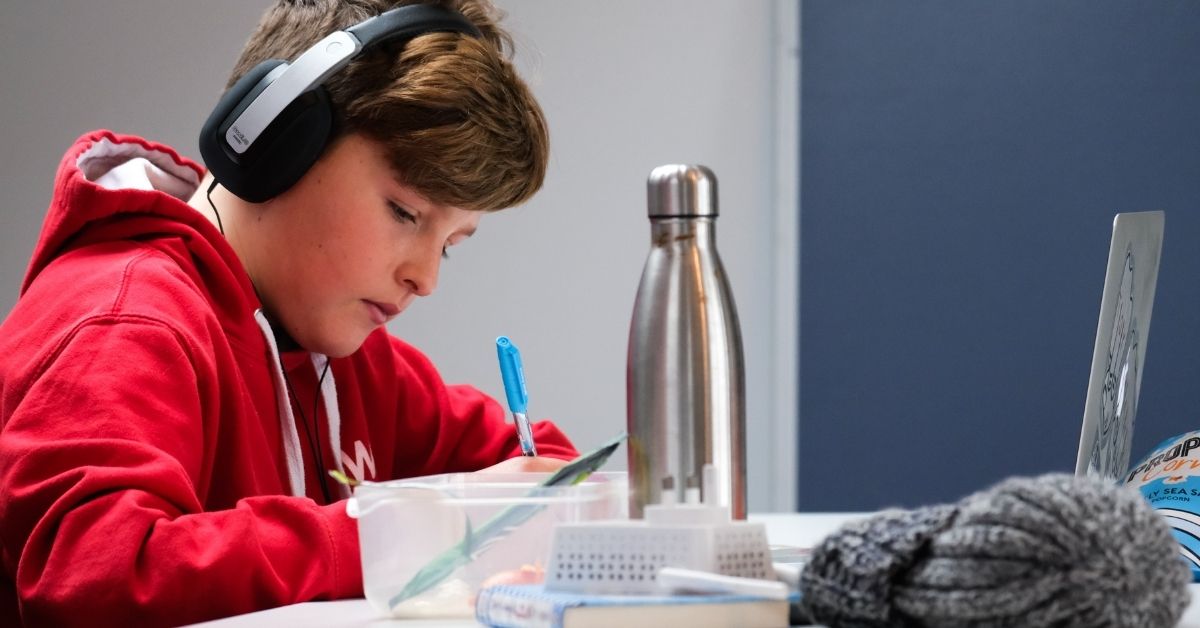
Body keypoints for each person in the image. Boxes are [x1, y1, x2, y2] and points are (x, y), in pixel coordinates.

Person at [0, 1, 577, 625]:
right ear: (278, 144)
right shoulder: (123, 323)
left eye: (450, 244)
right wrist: (401, 533)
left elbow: (530, 467)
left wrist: (551, 496)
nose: (425, 277)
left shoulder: (344, 358)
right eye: (406, 213)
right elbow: (100, 574)